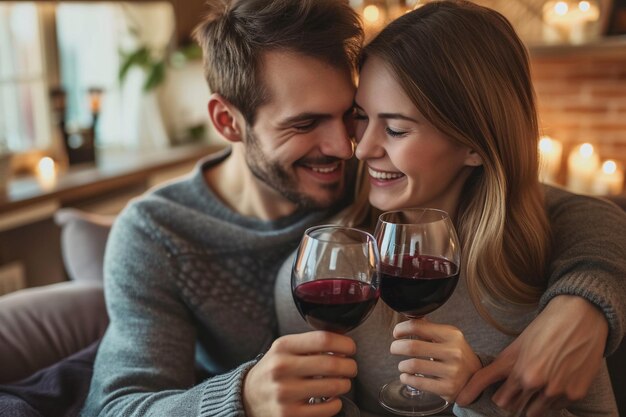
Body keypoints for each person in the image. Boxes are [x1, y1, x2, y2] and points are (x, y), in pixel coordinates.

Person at [76, 1, 624, 417]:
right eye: (305, 123)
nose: (349, 148)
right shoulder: (159, 234)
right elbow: (119, 405)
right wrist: (242, 397)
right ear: (227, 122)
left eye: (350, 114)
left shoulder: (390, 184)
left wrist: (587, 297)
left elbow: (541, 203)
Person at [273, 1, 625, 416]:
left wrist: (478, 393)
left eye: (397, 128)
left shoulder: (555, 273)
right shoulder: (323, 275)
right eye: (361, 117)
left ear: (475, 145)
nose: (362, 148)